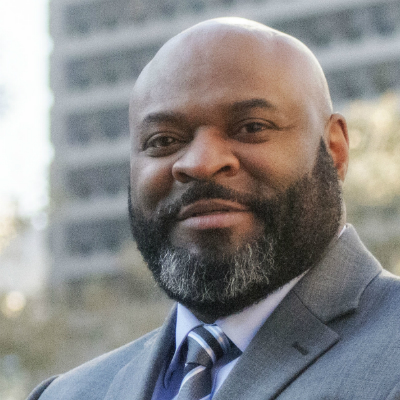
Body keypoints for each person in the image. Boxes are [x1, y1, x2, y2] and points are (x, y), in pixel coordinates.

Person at [28, 17, 400, 400]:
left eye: (251, 127)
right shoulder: (66, 393)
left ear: (334, 150)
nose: (201, 163)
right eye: (163, 139)